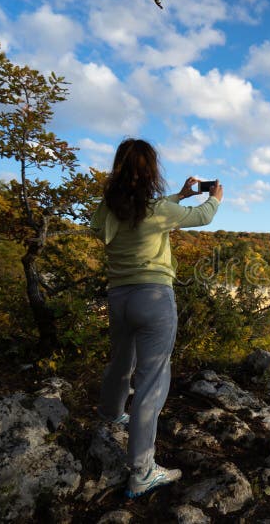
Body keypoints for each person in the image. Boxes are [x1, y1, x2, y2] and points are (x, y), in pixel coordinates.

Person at [90, 138, 224, 498]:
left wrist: (180, 195)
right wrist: (215, 197)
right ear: (151, 170)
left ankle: (111, 414)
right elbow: (204, 217)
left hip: (119, 296)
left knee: (120, 361)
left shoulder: (109, 207)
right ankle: (142, 471)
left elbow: (111, 223)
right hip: (154, 298)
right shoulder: (154, 211)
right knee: (151, 382)